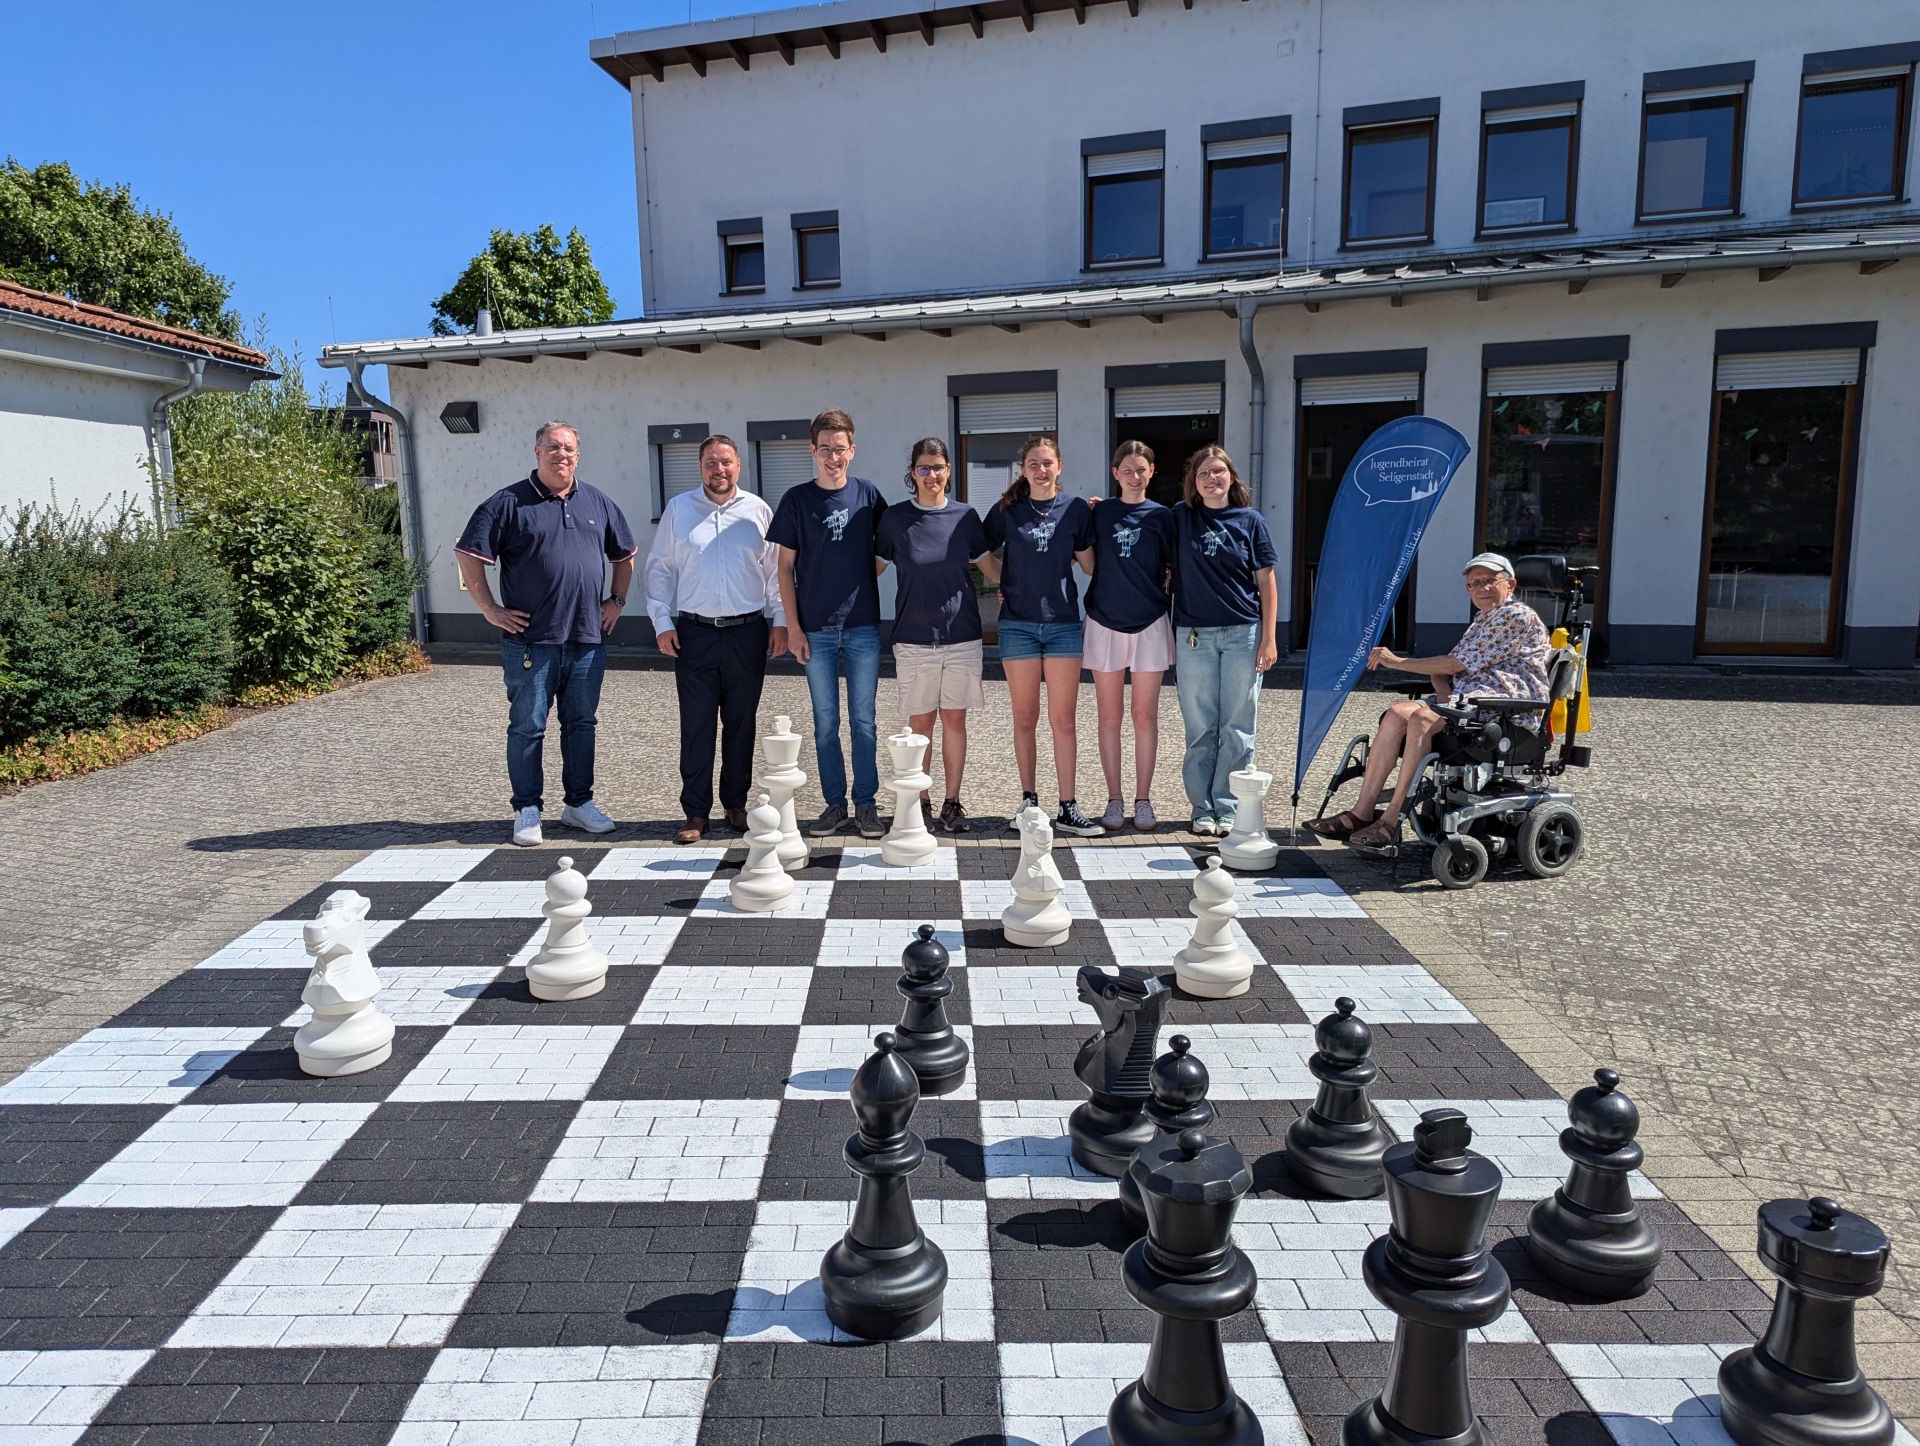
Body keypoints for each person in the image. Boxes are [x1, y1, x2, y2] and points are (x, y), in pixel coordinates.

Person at [455, 421, 637, 847]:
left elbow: (625, 555)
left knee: (581, 724)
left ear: (578, 455)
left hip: (587, 639)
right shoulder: (508, 503)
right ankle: (527, 809)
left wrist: (617, 601)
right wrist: (490, 609)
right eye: (553, 447)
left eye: (569, 449)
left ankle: (579, 804)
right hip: (531, 642)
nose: (562, 455)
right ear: (537, 452)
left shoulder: (597, 502)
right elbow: (468, 553)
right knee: (527, 726)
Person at [1310, 551, 1551, 849]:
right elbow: (1445, 670)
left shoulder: (1516, 616)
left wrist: (1397, 662)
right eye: (1474, 583)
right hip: (1469, 702)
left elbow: (1451, 665)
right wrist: (1444, 690)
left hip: (1505, 709)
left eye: (1490, 580)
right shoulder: (1482, 620)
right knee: (1397, 713)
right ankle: (1362, 814)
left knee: (1422, 718)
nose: (1482, 588)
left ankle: (1390, 822)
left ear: (1510, 584)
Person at [643, 434, 790, 844]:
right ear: (700, 467)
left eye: (726, 462)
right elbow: (659, 568)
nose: (719, 469)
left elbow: (775, 571)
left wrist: (780, 620)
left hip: (747, 633)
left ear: (738, 466)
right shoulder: (679, 509)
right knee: (696, 725)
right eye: (711, 462)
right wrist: (661, 621)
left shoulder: (758, 511)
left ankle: (735, 804)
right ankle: (695, 812)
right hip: (694, 634)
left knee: (741, 723)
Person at [769, 409, 890, 839]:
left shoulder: (868, 495)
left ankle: (866, 805)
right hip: (815, 629)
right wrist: (793, 627)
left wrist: (860, 577)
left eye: (840, 449)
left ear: (852, 450)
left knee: (864, 722)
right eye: (825, 449)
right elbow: (785, 568)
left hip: (862, 626)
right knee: (825, 723)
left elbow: (888, 547)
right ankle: (835, 804)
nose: (833, 457)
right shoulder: (797, 500)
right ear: (813, 451)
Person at [983, 435, 1103, 837]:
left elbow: (1089, 565)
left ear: (1059, 467)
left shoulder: (1076, 510)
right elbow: (978, 551)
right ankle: (1029, 802)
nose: (1040, 470)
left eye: (1047, 463)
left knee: (1063, 721)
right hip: (1017, 625)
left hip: (1062, 624)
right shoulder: (1007, 511)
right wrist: (1004, 580)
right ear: (1023, 470)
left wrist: (1106, 515)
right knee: (1024, 718)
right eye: (1033, 464)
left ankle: (1068, 807)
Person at [874, 438, 995, 833]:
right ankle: (920, 801)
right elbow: (869, 569)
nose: (931, 475)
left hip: (962, 636)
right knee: (920, 724)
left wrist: (1025, 584)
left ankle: (952, 803)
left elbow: (990, 566)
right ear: (913, 473)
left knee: (955, 720)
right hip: (913, 638)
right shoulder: (895, 520)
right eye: (923, 468)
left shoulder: (965, 517)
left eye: (938, 467)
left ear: (948, 470)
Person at [1170, 444, 1279, 837]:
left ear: (1231, 477)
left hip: (1242, 634)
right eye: (1203, 473)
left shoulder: (1250, 521)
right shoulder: (1180, 517)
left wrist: (1269, 638)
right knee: (1200, 727)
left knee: (1237, 726)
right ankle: (1202, 808)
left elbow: (1266, 582)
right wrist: (1104, 509)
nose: (1211, 478)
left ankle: (1228, 806)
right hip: (1194, 636)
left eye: (1218, 471)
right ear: (1193, 482)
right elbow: (1140, 522)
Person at [1085, 440, 1175, 832]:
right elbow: (1076, 555)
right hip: (1104, 621)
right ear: (1115, 473)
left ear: (1151, 472)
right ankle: (1114, 799)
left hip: (1149, 622)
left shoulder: (1164, 517)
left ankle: (1143, 800)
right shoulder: (1099, 513)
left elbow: (1176, 566)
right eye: (1127, 470)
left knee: (1144, 716)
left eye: (1141, 469)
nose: (1134, 476)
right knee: (1109, 716)